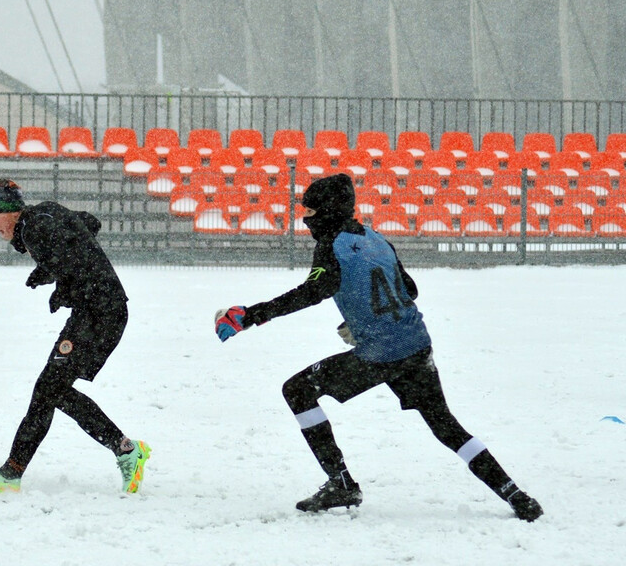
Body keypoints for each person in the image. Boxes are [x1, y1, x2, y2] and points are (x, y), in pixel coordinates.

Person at [214, 173, 543, 521]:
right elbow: (409, 290)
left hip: (381, 353)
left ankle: (341, 483)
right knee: (445, 424)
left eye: (309, 209)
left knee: (297, 390)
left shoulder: (332, 245)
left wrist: (249, 316)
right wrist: (362, 319)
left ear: (326, 211)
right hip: (416, 344)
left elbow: (312, 292)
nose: (305, 217)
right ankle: (515, 494)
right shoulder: (377, 238)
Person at [0, 179, 150, 494]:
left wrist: (60, 284)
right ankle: (124, 449)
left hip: (99, 315)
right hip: (101, 312)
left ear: (11, 212)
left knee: (48, 390)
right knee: (52, 391)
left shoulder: (34, 229)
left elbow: (71, 256)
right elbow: (89, 224)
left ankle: (13, 473)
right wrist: (51, 270)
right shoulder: (44, 215)